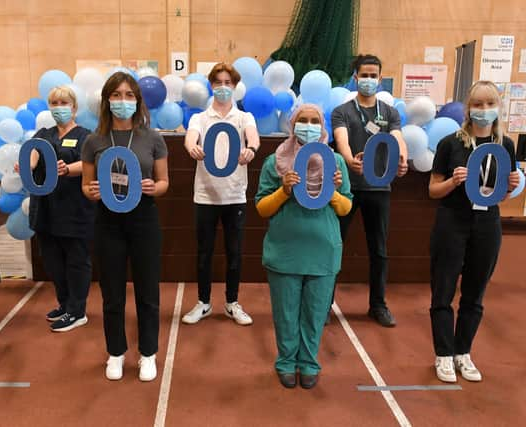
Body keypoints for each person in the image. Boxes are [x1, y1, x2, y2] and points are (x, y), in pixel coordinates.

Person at [256, 104, 352, 389]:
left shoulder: (336, 163)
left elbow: (346, 207)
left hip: (323, 253)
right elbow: (262, 208)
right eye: (302, 120)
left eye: (314, 121)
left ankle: (309, 362)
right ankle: (286, 361)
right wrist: (284, 190)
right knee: (285, 313)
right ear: (292, 125)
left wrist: (332, 192)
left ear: (322, 127)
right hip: (285, 252)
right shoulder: (275, 163)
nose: (308, 126)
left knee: (314, 313)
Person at [428, 81, 519, 383]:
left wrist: (509, 189)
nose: (483, 110)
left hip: (488, 224)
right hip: (452, 222)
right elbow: (433, 191)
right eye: (478, 105)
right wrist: (453, 182)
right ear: (468, 108)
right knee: (443, 289)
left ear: (498, 107)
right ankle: (442, 354)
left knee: (475, 293)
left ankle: (462, 352)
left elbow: (499, 195)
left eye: (489, 104)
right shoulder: (450, 144)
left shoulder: (505, 145)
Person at [81, 72, 169, 382]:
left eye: (128, 95)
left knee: (148, 291)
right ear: (106, 100)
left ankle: (148, 353)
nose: (122, 101)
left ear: (138, 101)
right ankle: (115, 353)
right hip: (108, 222)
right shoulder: (94, 140)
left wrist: (152, 188)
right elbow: (86, 185)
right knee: (112, 293)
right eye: (116, 95)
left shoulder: (152, 138)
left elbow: (164, 183)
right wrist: (91, 191)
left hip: (144, 219)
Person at [331, 54, 408, 327]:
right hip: (347, 189)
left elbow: (398, 137)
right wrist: (350, 159)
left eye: (373, 75)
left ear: (380, 77)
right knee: (334, 246)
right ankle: (325, 303)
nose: (368, 80)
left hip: (380, 188)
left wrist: (402, 158)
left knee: (379, 250)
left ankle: (378, 305)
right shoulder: (342, 110)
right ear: (355, 78)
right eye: (364, 75)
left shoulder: (389, 112)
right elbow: (340, 138)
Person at [181, 62, 260, 326]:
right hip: (205, 195)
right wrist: (192, 146)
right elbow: (190, 138)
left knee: (234, 253)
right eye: (218, 83)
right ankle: (203, 302)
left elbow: (254, 138)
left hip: (235, 195)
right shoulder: (199, 118)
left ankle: (232, 302)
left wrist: (251, 149)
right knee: (204, 252)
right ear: (211, 86)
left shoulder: (244, 117)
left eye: (228, 83)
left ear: (235, 87)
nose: (223, 87)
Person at [23, 86, 95, 332]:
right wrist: (26, 165)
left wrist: (68, 169)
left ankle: (78, 311)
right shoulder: (43, 134)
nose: (58, 107)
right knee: (53, 262)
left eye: (63, 102)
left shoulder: (86, 136)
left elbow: (91, 164)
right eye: (54, 103)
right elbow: (32, 155)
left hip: (74, 208)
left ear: (74, 107)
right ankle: (65, 304)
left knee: (76, 261)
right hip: (45, 209)